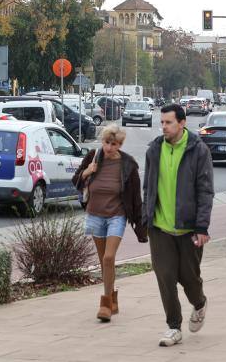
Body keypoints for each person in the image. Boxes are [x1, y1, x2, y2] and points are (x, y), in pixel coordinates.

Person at [142, 104, 214, 347]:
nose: (164, 127)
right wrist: (146, 218)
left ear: (182, 123)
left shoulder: (198, 150)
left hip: (189, 228)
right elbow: (148, 187)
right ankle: (173, 326)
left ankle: (200, 302)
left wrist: (202, 227)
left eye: (168, 122)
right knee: (165, 276)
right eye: (161, 122)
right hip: (160, 228)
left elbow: (205, 191)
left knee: (189, 279)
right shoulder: (154, 150)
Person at [72, 124, 147, 322]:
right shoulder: (93, 157)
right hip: (95, 214)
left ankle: (105, 304)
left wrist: (140, 226)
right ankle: (112, 298)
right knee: (104, 261)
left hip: (117, 215)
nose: (109, 147)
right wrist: (87, 171)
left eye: (114, 144)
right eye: (106, 142)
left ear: (120, 145)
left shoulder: (128, 164)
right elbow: (76, 181)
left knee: (108, 258)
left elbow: (135, 198)